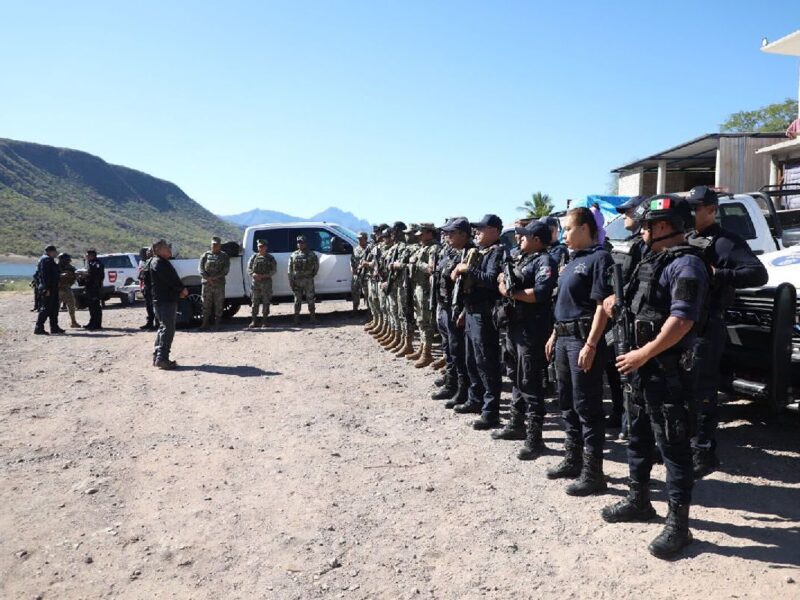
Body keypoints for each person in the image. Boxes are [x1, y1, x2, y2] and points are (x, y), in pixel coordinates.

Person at [600, 195, 710, 559]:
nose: (641, 229)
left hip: (667, 372)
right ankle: (639, 501)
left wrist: (644, 353)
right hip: (638, 370)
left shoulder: (687, 264)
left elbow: (682, 321)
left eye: (646, 224)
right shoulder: (647, 259)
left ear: (663, 226)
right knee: (637, 437)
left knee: (674, 449)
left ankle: (679, 526)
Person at [685, 185, 768, 478]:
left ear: (711, 210)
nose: (691, 212)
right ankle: (682, 444)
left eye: (696, 208)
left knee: (702, 389)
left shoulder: (724, 242)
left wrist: (717, 275)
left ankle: (703, 452)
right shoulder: (686, 238)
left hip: (708, 325)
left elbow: (758, 273)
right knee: (681, 388)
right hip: (682, 324)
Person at [544, 207, 612, 496]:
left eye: (568, 229)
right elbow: (564, 304)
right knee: (567, 403)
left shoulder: (600, 258)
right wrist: (553, 335)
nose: (564, 235)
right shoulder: (572, 261)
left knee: (587, 407)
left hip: (582, 341)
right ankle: (573, 459)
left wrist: (592, 344)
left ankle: (593, 472)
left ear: (585, 228)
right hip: (563, 338)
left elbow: (601, 306)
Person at [493, 221, 558, 460]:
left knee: (531, 381)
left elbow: (540, 293)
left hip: (532, 329)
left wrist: (511, 292)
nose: (519, 240)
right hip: (514, 326)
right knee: (515, 375)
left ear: (537, 240)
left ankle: (535, 437)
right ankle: (516, 423)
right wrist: (504, 284)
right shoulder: (522, 259)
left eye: (524, 236)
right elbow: (503, 282)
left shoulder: (544, 261)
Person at [450, 214, 506, 430]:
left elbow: (492, 280)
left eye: (482, 229)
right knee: (471, 359)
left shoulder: (498, 252)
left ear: (494, 231)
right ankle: (475, 400)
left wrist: (468, 269)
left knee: (487, 363)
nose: (477, 232)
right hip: (472, 312)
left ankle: (491, 412)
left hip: (485, 315)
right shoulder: (482, 252)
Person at [606, 195, 649, 433]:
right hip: (623, 317)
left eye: (630, 212)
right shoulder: (629, 243)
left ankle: (635, 426)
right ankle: (622, 416)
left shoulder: (647, 247)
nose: (625, 216)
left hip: (641, 321)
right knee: (618, 372)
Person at [149, 239, 189, 369]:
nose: (169, 250)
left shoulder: (161, 262)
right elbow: (169, 279)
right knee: (168, 329)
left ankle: (158, 356)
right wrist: (181, 289)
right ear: (158, 250)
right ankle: (162, 358)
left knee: (163, 328)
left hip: (164, 299)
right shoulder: (159, 263)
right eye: (166, 248)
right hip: (165, 301)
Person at [408, 223, 440, 366]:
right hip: (418, 287)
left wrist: (418, 263)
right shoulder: (423, 247)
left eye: (422, 234)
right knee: (420, 320)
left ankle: (427, 353)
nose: (419, 236)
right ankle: (422, 348)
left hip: (427, 290)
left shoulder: (434, 248)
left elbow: (431, 269)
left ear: (429, 233)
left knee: (426, 322)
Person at [199, 236, 230, 330]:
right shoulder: (205, 255)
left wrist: (216, 277)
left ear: (220, 245)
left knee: (219, 304)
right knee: (205, 304)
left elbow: (226, 270)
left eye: (216, 245)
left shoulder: (224, 256)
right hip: (207, 284)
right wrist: (207, 278)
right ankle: (204, 323)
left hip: (219, 283)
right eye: (213, 244)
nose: (214, 246)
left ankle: (217, 324)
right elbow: (200, 268)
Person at [288, 234, 320, 325]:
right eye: (298, 242)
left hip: (308, 280)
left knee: (311, 299)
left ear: (305, 243)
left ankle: (312, 318)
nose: (300, 244)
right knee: (297, 300)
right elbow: (289, 269)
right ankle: (296, 319)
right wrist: (291, 280)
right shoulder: (293, 255)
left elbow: (316, 266)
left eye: (302, 242)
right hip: (297, 281)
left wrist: (311, 276)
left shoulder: (311, 254)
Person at [34, 245, 64, 335]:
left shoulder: (49, 259)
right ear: (50, 251)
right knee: (46, 308)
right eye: (54, 252)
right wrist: (46, 288)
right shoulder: (45, 260)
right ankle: (39, 327)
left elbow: (53, 274)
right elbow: (45, 275)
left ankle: (54, 327)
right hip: (48, 288)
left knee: (54, 308)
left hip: (53, 287)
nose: (56, 253)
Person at [247, 239, 278, 328]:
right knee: (254, 302)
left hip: (266, 283)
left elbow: (274, 270)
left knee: (266, 302)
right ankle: (254, 321)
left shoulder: (270, 258)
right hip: (256, 283)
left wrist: (265, 276)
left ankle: (265, 321)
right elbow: (249, 268)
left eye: (262, 247)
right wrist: (253, 274)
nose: (260, 248)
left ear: (266, 247)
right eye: (259, 247)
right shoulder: (253, 257)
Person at [81, 248, 105, 330]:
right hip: (90, 287)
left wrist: (87, 275)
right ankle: (92, 322)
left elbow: (97, 276)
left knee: (95, 306)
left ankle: (96, 324)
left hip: (94, 287)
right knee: (91, 307)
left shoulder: (97, 263)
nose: (86, 256)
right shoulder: (89, 263)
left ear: (91, 256)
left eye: (87, 255)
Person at [57, 253, 80, 328]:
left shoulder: (70, 267)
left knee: (72, 305)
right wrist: (61, 275)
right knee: (55, 307)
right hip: (58, 289)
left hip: (67, 288)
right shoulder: (55, 267)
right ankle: (54, 324)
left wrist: (73, 275)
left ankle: (73, 322)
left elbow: (76, 275)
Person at [138, 248, 159, 331]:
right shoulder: (146, 262)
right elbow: (142, 275)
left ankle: (157, 324)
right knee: (149, 306)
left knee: (155, 306)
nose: (147, 253)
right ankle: (150, 322)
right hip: (147, 286)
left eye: (149, 251)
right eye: (147, 252)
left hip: (153, 287)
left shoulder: (155, 261)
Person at [351, 232, 369, 312]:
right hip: (356, 275)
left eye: (361, 239)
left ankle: (370, 312)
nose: (359, 241)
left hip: (366, 275)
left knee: (367, 294)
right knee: (355, 293)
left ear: (365, 239)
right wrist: (352, 269)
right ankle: (355, 310)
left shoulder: (370, 248)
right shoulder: (356, 249)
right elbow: (352, 260)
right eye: (358, 239)